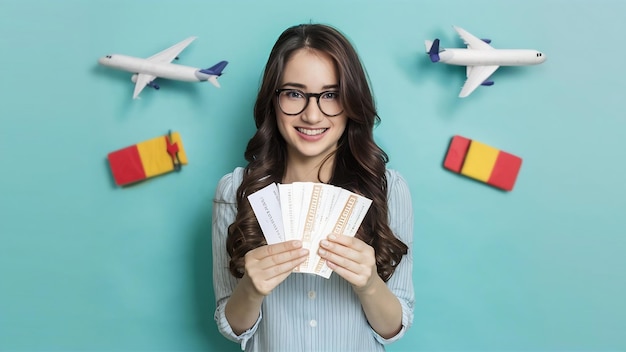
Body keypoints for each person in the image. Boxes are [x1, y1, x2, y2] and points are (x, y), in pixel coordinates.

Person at [212, 23, 414, 351]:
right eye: (294, 93)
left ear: (351, 101)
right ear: (273, 100)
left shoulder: (388, 189)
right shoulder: (235, 191)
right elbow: (231, 325)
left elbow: (394, 326)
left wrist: (369, 284)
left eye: (331, 95)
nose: (311, 114)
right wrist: (251, 289)